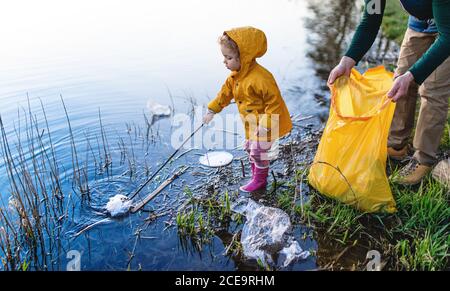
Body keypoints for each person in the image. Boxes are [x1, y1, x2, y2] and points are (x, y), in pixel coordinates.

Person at [328, 0, 450, 185]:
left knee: (433, 90)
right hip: (419, 23)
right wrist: (348, 59)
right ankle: (396, 144)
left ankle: (423, 159)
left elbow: (447, 37)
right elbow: (370, 21)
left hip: (448, 28)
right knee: (399, 81)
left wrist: (413, 75)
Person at [203, 26, 292, 192]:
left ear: (243, 57)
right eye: (224, 57)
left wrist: (265, 125)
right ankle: (255, 175)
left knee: (258, 151)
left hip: (268, 123)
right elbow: (224, 94)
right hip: (251, 124)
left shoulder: (261, 78)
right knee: (251, 148)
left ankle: (259, 181)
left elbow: (275, 103)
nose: (225, 61)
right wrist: (212, 110)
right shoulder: (235, 77)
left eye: (228, 57)